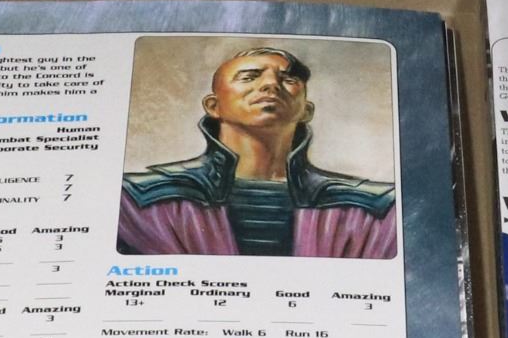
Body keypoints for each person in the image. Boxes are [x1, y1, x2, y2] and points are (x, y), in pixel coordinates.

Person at [118, 47, 396, 258]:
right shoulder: (133, 200)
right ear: (214, 106)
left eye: (287, 78)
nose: (271, 84)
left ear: (306, 110)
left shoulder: (378, 208)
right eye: (249, 77)